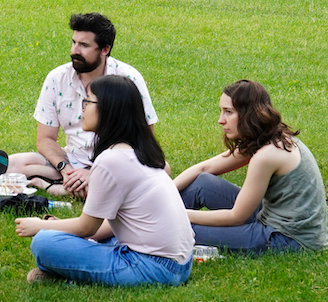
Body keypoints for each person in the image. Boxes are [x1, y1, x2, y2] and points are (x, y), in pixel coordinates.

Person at [14, 75, 194, 287]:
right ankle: (68, 267)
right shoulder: (136, 150)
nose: (82, 107)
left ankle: (64, 271)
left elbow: (86, 227)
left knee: (44, 244)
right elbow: (108, 224)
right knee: (87, 238)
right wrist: (60, 227)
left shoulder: (111, 160)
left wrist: (40, 226)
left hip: (152, 267)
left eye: (88, 101)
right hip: (180, 263)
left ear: (110, 110)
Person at [0, 12, 158, 199]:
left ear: (105, 49)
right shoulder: (57, 78)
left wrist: (96, 173)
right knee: (13, 164)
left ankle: (62, 185)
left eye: (84, 45)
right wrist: (65, 169)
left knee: (155, 171)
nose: (75, 50)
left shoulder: (128, 80)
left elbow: (145, 141)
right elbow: (45, 139)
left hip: (116, 164)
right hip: (71, 161)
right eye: (74, 42)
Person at [174, 80, 328, 254]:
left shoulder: (267, 155)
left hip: (287, 239)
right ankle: (152, 217)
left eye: (228, 112)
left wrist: (177, 214)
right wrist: (162, 195)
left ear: (249, 114)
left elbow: (236, 217)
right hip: (270, 217)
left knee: (179, 230)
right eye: (221, 111)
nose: (220, 120)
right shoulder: (266, 139)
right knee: (202, 183)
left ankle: (152, 227)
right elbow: (204, 169)